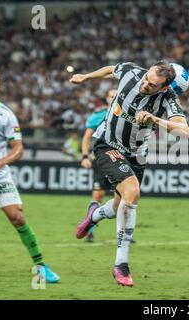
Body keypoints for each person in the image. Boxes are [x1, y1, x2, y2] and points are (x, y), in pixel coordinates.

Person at [70, 61, 189, 287]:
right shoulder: (131, 71)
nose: (145, 84)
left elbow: (184, 131)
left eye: (152, 85)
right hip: (108, 145)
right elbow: (109, 70)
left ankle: (93, 215)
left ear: (163, 88)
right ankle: (121, 265)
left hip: (137, 156)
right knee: (133, 192)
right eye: (146, 78)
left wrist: (155, 119)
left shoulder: (167, 100)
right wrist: (86, 76)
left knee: (118, 208)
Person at [0, 69, 60, 283]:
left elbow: (19, 149)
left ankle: (41, 266)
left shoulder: (5, 114)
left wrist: (1, 161)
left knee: (17, 217)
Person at [80, 88, 116, 243]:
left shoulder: (126, 114)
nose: (113, 98)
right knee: (98, 196)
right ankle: (90, 230)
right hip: (101, 161)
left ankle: (126, 234)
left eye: (116, 95)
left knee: (123, 198)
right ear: (106, 98)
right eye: (111, 95)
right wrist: (85, 156)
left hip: (120, 160)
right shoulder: (98, 116)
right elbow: (87, 138)